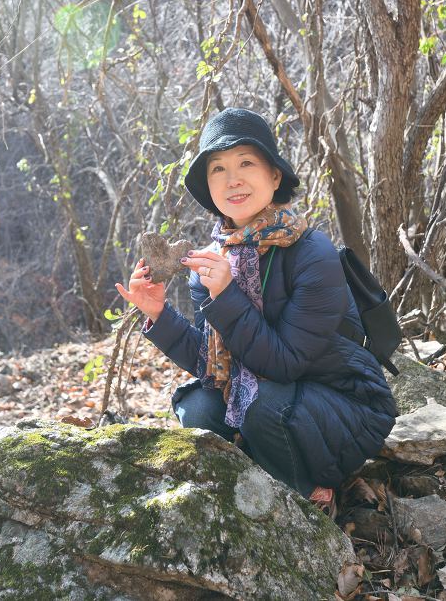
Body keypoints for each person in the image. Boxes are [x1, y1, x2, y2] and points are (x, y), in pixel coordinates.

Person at [115, 107, 397, 514]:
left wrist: (227, 296)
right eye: (218, 168)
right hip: (277, 399)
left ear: (275, 176)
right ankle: (250, 486)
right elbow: (211, 365)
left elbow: (286, 363)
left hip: (345, 404)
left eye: (246, 162)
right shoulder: (212, 263)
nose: (233, 179)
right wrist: (159, 316)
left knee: (262, 404)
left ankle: (307, 498)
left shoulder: (312, 253)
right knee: (198, 408)